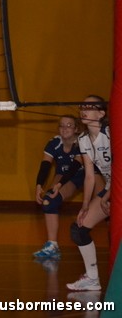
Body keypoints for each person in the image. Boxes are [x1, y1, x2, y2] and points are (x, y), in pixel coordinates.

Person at [65, 96, 111, 292]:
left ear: (101, 113)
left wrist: (107, 196)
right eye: (82, 106)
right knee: (79, 228)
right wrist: (84, 206)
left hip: (116, 188)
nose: (84, 109)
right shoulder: (83, 139)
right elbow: (90, 176)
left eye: (89, 106)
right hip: (112, 187)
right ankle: (92, 279)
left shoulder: (111, 132)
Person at [31, 115, 83, 260]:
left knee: (106, 207)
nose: (65, 128)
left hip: (86, 175)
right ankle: (52, 245)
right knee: (49, 201)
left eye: (69, 125)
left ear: (76, 129)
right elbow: (45, 166)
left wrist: (60, 184)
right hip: (64, 175)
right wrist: (39, 185)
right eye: (62, 125)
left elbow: (75, 167)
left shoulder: (82, 142)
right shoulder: (54, 143)